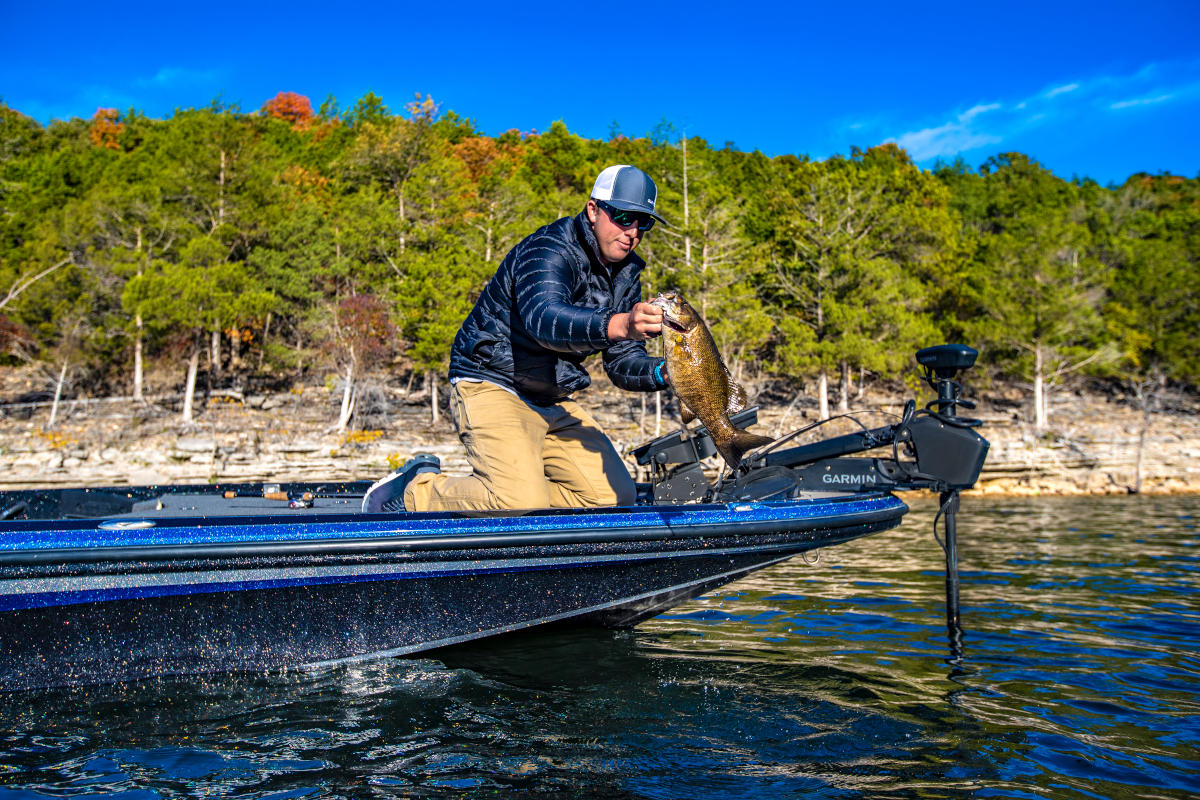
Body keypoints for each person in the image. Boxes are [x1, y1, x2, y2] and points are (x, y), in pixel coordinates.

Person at [362, 165, 670, 513]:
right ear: (593, 210)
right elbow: (545, 319)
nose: (632, 232)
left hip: (548, 395)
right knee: (517, 500)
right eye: (624, 216)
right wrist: (621, 323)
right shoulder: (549, 249)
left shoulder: (627, 276)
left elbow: (622, 360)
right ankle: (411, 489)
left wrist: (667, 372)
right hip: (491, 382)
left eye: (643, 223)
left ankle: (525, 498)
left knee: (614, 498)